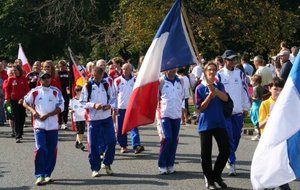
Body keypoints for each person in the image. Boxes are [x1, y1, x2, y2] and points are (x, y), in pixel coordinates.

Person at [23, 71, 64, 186]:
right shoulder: (35, 92)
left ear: (51, 79)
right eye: (43, 78)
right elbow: (24, 102)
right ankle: (39, 175)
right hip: (39, 126)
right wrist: (33, 111)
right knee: (41, 149)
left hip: (52, 125)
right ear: (39, 80)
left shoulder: (56, 92)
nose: (46, 80)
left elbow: (61, 107)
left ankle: (47, 174)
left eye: (48, 78)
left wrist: (48, 115)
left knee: (52, 150)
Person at [195, 62, 230, 189]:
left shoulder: (219, 85)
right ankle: (209, 180)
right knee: (206, 154)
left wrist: (215, 90)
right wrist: (210, 96)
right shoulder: (200, 88)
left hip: (219, 122)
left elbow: (225, 99)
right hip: (206, 124)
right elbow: (200, 108)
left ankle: (216, 175)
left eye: (214, 69)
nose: (212, 72)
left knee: (225, 150)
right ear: (205, 71)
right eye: (209, 69)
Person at [217, 50, 250, 176]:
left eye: (234, 59)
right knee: (229, 138)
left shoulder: (240, 73)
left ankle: (229, 154)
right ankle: (231, 162)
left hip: (237, 112)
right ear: (225, 60)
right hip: (225, 113)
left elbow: (244, 91)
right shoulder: (219, 75)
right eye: (230, 59)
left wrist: (245, 107)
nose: (233, 61)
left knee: (236, 137)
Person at [80, 66, 116, 177]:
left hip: (106, 117)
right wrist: (94, 105)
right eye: (95, 76)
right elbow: (82, 102)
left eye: (100, 76)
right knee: (94, 144)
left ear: (102, 75)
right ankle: (95, 168)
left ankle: (107, 163)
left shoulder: (106, 84)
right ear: (92, 74)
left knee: (112, 141)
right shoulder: (88, 86)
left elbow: (114, 99)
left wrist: (109, 106)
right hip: (94, 119)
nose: (98, 78)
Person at [258, 77, 291, 190]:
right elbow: (260, 125)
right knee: (273, 171)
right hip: (268, 142)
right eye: (276, 89)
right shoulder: (265, 104)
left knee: (277, 170)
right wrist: (269, 118)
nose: (278, 92)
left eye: (281, 89)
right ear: (270, 89)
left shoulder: (286, 104)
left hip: (282, 142)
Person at [157, 68, 184, 175]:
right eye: (169, 69)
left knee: (174, 140)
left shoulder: (180, 81)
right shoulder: (161, 81)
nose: (172, 70)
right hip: (164, 114)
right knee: (167, 138)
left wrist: (181, 109)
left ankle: (170, 164)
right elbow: (156, 98)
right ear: (165, 70)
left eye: (174, 68)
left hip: (176, 115)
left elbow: (182, 97)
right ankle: (162, 164)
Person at [114, 63, 145, 154]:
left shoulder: (136, 80)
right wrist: (114, 108)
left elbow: (140, 94)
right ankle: (123, 146)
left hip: (132, 108)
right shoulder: (117, 81)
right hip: (121, 107)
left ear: (131, 70)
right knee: (121, 128)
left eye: (126, 69)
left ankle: (136, 145)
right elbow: (114, 95)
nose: (124, 70)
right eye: (123, 69)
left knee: (134, 127)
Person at [4, 65, 29, 143]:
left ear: (19, 70)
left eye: (15, 70)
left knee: (22, 118)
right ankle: (18, 136)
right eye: (13, 70)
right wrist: (7, 98)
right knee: (16, 118)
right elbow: (7, 89)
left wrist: (23, 98)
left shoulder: (24, 78)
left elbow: (27, 89)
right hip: (13, 100)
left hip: (22, 100)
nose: (14, 72)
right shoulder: (11, 79)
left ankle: (20, 133)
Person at [69, 85, 86, 150]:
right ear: (75, 91)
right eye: (77, 91)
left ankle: (77, 142)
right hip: (77, 118)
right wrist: (71, 111)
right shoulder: (72, 100)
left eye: (80, 91)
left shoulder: (84, 99)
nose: (79, 92)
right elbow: (70, 109)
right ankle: (80, 143)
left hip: (83, 117)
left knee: (82, 132)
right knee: (79, 131)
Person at [249, 75, 264, 141]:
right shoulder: (261, 87)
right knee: (259, 119)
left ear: (256, 82)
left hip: (255, 105)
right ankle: (260, 134)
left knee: (255, 120)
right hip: (260, 104)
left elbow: (256, 97)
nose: (251, 82)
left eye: (252, 81)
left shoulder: (255, 88)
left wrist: (250, 97)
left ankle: (258, 135)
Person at [57, 60, 70, 130]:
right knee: (59, 108)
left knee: (65, 108)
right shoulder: (57, 73)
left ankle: (64, 122)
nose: (62, 67)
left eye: (63, 66)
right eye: (60, 66)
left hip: (66, 93)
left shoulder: (68, 73)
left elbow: (71, 82)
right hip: (59, 92)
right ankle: (59, 122)